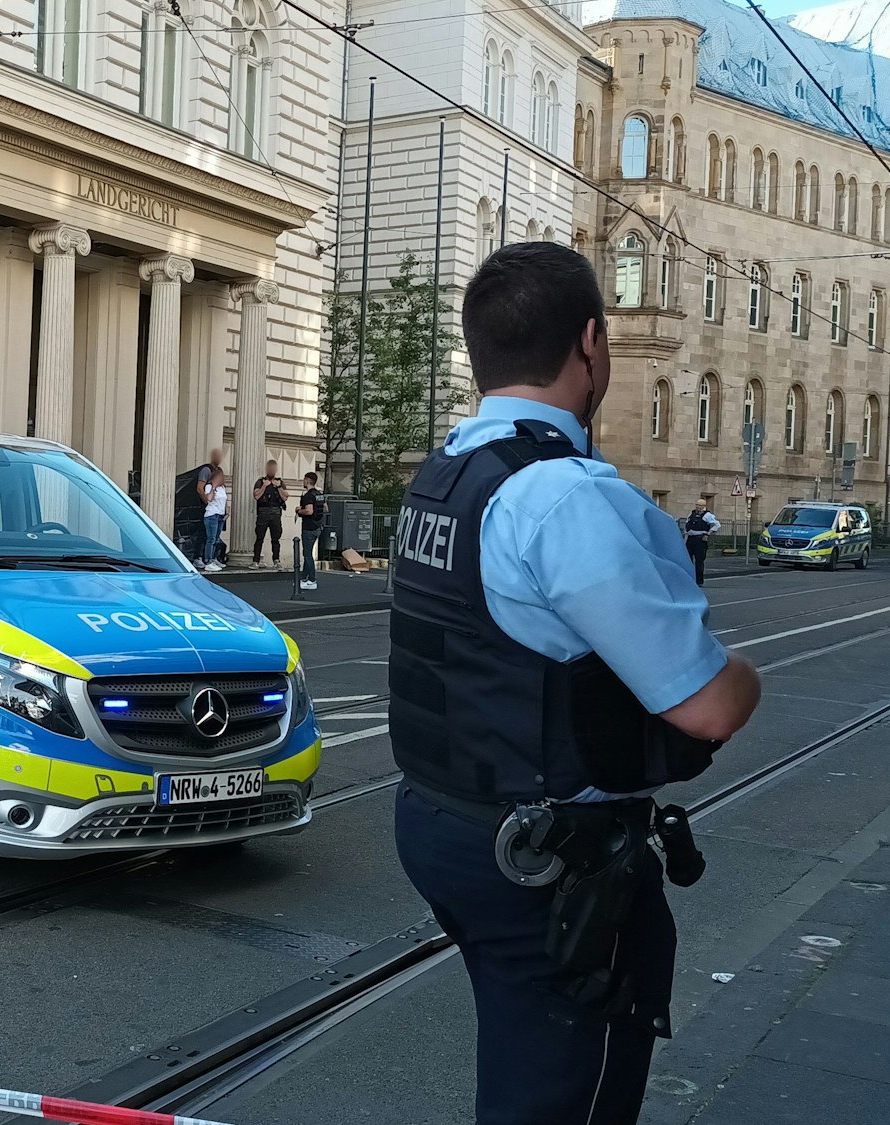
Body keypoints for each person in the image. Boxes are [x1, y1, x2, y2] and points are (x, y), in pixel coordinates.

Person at [387, 243, 762, 1125]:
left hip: (447, 819)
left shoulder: (445, 478)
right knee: (567, 1094)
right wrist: (747, 678)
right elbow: (704, 707)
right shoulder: (562, 497)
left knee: (522, 1063)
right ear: (593, 344)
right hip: (551, 862)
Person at [253, 460, 288, 568]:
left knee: (276, 539)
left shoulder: (279, 482)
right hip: (263, 513)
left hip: (276, 513)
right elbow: (256, 496)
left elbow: (285, 497)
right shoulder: (260, 481)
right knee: (259, 538)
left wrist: (278, 487)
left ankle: (276, 560)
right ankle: (256, 560)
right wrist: (264, 486)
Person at [295, 472, 325, 589]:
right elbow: (325, 507)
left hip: (309, 527)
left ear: (307, 480)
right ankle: (304, 579)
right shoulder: (319, 494)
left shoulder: (308, 496)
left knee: (307, 555)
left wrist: (299, 510)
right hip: (318, 527)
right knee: (308, 553)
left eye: (304, 480)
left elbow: (309, 511)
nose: (303, 482)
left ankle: (312, 580)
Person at [683, 499, 721, 585]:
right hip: (690, 539)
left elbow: (717, 525)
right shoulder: (692, 514)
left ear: (704, 506)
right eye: (697, 505)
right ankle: (689, 579)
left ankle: (699, 581)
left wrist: (708, 534)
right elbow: (687, 524)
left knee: (699, 561)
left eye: (700, 505)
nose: (697, 507)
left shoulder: (707, 515)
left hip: (700, 539)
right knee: (687, 559)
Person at [199, 463, 228, 572]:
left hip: (220, 515)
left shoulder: (222, 488)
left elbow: (225, 500)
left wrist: (227, 512)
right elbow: (209, 499)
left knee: (216, 539)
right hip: (211, 514)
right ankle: (208, 560)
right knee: (211, 539)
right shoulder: (209, 486)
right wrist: (213, 487)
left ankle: (213, 558)